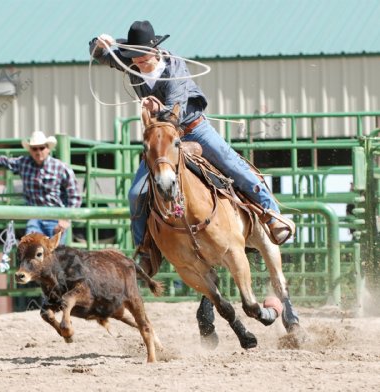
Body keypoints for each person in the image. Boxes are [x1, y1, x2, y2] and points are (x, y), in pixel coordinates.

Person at [89, 20, 295, 258]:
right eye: (134, 58)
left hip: (194, 129)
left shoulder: (175, 67)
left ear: (155, 51)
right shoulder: (132, 60)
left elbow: (174, 107)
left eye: (143, 57)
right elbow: (99, 54)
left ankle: (273, 216)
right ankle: (144, 250)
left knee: (233, 165)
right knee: (136, 194)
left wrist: (156, 110)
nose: (139, 63)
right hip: (163, 138)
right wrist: (100, 42)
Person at [0, 131, 82, 244]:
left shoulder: (61, 168)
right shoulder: (24, 163)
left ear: (48, 149)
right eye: (34, 149)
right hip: (35, 216)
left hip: (56, 217)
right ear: (30, 150)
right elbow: (3, 161)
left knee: (53, 255)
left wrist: (66, 219)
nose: (38, 152)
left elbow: (75, 196)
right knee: (32, 251)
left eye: (41, 148)